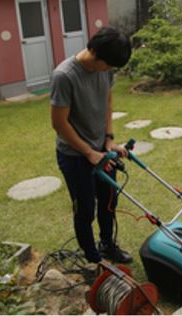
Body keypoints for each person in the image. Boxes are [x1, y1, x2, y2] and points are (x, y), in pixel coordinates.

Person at [50, 27, 133, 264]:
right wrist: (88, 152)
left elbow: (107, 101)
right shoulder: (64, 76)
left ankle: (107, 245)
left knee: (109, 202)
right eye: (106, 65)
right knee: (85, 209)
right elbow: (58, 123)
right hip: (74, 156)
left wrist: (108, 139)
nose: (107, 71)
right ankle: (93, 259)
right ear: (95, 53)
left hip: (101, 149)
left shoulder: (105, 70)